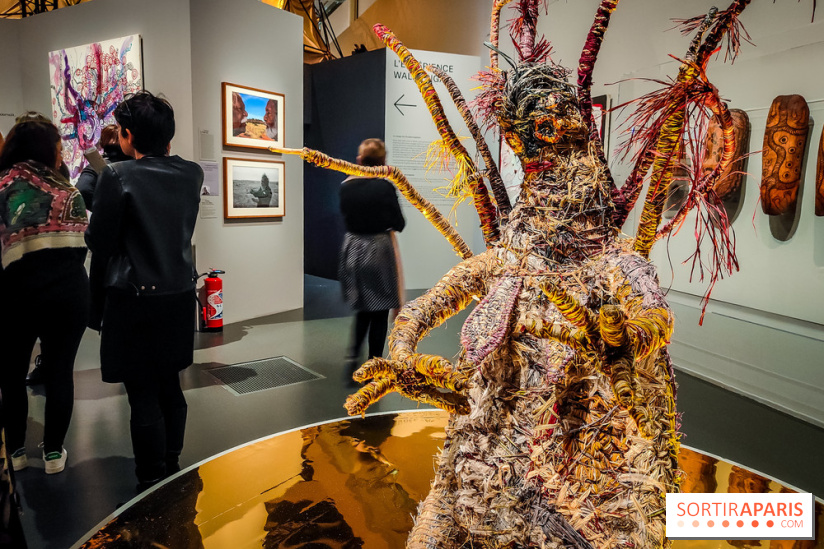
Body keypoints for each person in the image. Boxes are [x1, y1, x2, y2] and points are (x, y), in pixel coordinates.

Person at [85, 91, 203, 492]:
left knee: (142, 392)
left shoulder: (117, 177)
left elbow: (99, 243)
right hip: (178, 295)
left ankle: (151, 476)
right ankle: (172, 461)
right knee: (169, 382)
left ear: (128, 135)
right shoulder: (192, 173)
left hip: (134, 298)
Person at [0, 118, 90, 475]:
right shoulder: (69, 190)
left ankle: (17, 453)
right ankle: (53, 453)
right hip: (68, 294)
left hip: (14, 295)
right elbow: (80, 247)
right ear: (49, 150)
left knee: (10, 376)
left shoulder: (2, 186)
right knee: (60, 373)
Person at [338, 138, 405, 376]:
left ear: (359, 160)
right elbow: (399, 223)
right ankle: (374, 363)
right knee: (380, 310)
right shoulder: (385, 188)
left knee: (363, 308)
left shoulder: (345, 187)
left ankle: (352, 356)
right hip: (377, 250)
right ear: (383, 163)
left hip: (352, 249)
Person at [75, 123, 131, 210]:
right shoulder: (137, 165)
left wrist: (103, 210)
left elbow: (82, 190)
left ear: (102, 143)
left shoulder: (94, 167)